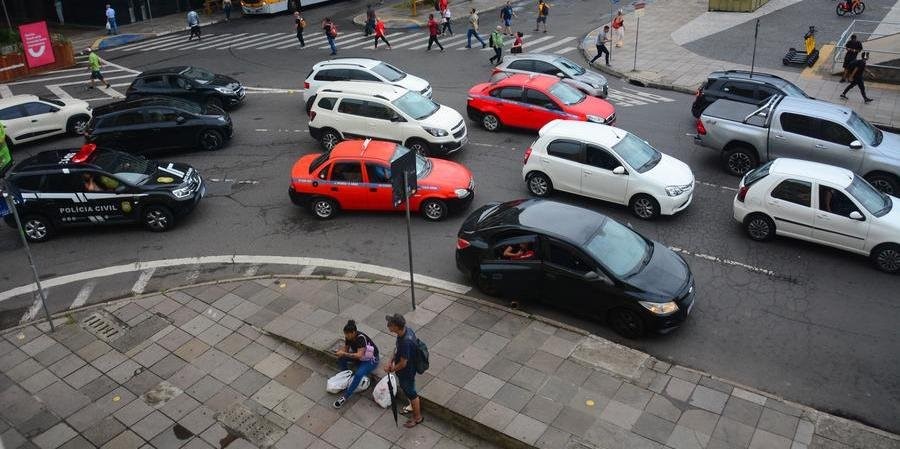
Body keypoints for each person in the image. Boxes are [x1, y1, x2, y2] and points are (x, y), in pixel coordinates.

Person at [384, 313, 423, 428]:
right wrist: (390, 360)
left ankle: (417, 418)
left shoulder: (405, 342)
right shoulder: (405, 332)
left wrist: (391, 369)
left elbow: (403, 363)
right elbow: (397, 349)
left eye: (390, 324)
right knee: (409, 390)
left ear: (396, 326)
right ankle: (412, 406)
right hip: (406, 370)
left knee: (411, 393)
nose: (388, 325)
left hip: (407, 372)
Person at [333, 320, 380, 409]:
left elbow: (359, 355)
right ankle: (346, 377)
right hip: (359, 357)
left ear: (353, 332)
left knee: (358, 374)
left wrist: (344, 354)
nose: (346, 336)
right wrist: (340, 352)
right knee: (341, 358)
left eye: (347, 334)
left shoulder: (360, 339)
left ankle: (345, 397)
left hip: (370, 360)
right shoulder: (348, 337)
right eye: (345, 334)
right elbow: (346, 350)